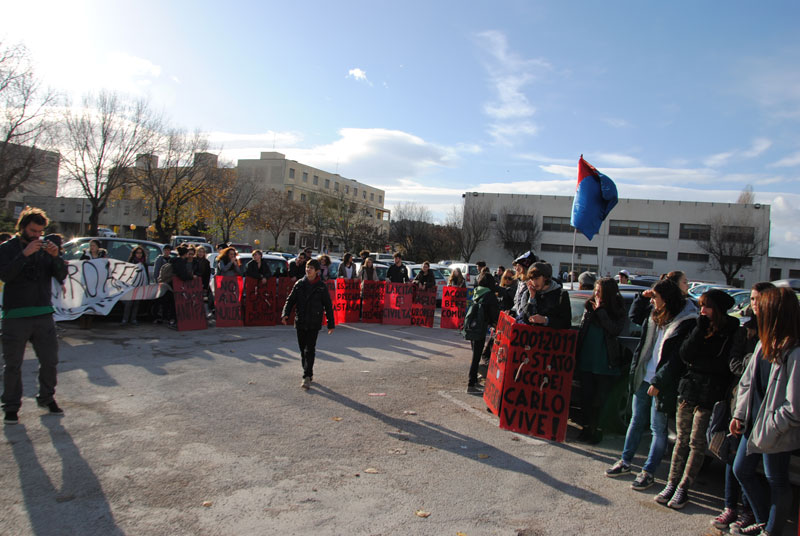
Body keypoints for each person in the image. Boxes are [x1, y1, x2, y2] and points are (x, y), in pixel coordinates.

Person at [606, 279, 697, 490]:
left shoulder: (685, 322)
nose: (653, 300)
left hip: (663, 382)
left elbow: (676, 358)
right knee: (636, 421)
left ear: (667, 298)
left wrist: (659, 381)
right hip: (644, 376)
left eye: (656, 297)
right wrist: (642, 297)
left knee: (658, 428)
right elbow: (634, 316)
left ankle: (648, 471)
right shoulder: (655, 315)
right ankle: (625, 461)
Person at [654, 289, 739, 509]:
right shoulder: (698, 326)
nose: (703, 310)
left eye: (707, 306)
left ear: (718, 309)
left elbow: (724, 365)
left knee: (696, 442)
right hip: (689, 390)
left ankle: (684, 487)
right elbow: (685, 354)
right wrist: (699, 331)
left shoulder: (732, 330)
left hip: (710, 394)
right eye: (701, 305)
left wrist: (699, 363)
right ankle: (672, 482)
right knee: (681, 439)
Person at [730, 287, 800, 536]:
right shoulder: (764, 342)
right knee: (741, 470)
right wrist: (739, 414)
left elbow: (794, 407)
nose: (756, 308)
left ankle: (771, 530)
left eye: (763, 305)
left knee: (777, 480)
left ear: (777, 312)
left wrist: (771, 428)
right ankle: (763, 522)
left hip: (775, 431)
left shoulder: (795, 351)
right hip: (753, 423)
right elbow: (746, 383)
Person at [711, 282, 775, 532]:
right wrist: (752, 361)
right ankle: (731, 507)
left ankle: (753, 514)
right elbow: (734, 364)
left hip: (767, 410)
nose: (754, 304)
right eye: (752, 298)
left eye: (759, 299)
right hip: (741, 402)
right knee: (733, 459)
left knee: (756, 469)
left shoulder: (778, 332)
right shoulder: (745, 330)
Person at [0, 207, 68, 424]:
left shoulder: (45, 248)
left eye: (40, 232)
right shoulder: (7, 248)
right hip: (15, 314)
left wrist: (56, 257)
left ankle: (47, 397)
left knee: (50, 361)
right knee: (13, 365)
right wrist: (24, 254)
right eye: (33, 231)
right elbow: (5, 275)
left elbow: (61, 275)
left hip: (43, 313)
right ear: (22, 228)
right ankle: (11, 406)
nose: (37, 235)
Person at [575, 277, 627, 444]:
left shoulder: (617, 309)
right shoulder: (589, 306)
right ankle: (586, 427)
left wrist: (601, 311)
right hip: (587, 358)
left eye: (599, 291)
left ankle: (598, 429)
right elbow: (582, 329)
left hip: (605, 361)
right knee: (586, 397)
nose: (596, 294)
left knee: (601, 399)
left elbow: (614, 329)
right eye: (595, 291)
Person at [281, 259, 335, 390]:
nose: (308, 269)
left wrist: (330, 323)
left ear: (317, 271)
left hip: (314, 322)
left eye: (311, 268)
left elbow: (328, 306)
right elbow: (290, 300)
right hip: (301, 320)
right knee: (302, 350)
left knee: (309, 349)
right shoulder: (299, 284)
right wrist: (285, 314)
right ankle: (308, 372)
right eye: (307, 267)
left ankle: (306, 375)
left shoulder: (321, 287)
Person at [467, 273, 500, 394]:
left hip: (473, 327)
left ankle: (474, 380)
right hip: (480, 328)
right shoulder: (489, 295)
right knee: (476, 357)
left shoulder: (477, 291)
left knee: (475, 355)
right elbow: (494, 314)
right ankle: (471, 384)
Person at [516, 262, 571, 329]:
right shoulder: (528, 293)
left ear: (545, 277)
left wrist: (545, 320)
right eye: (531, 279)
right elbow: (524, 318)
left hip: (550, 334)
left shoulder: (561, 294)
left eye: (536, 278)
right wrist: (532, 297)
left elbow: (566, 323)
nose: (534, 282)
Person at [121, 246, 149, 325]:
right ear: (134, 254)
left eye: (140, 253)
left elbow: (146, 276)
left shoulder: (144, 264)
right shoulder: (131, 263)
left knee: (136, 303)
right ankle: (125, 319)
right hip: (131, 286)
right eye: (137, 253)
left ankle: (133, 319)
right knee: (129, 303)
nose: (139, 254)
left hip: (139, 286)